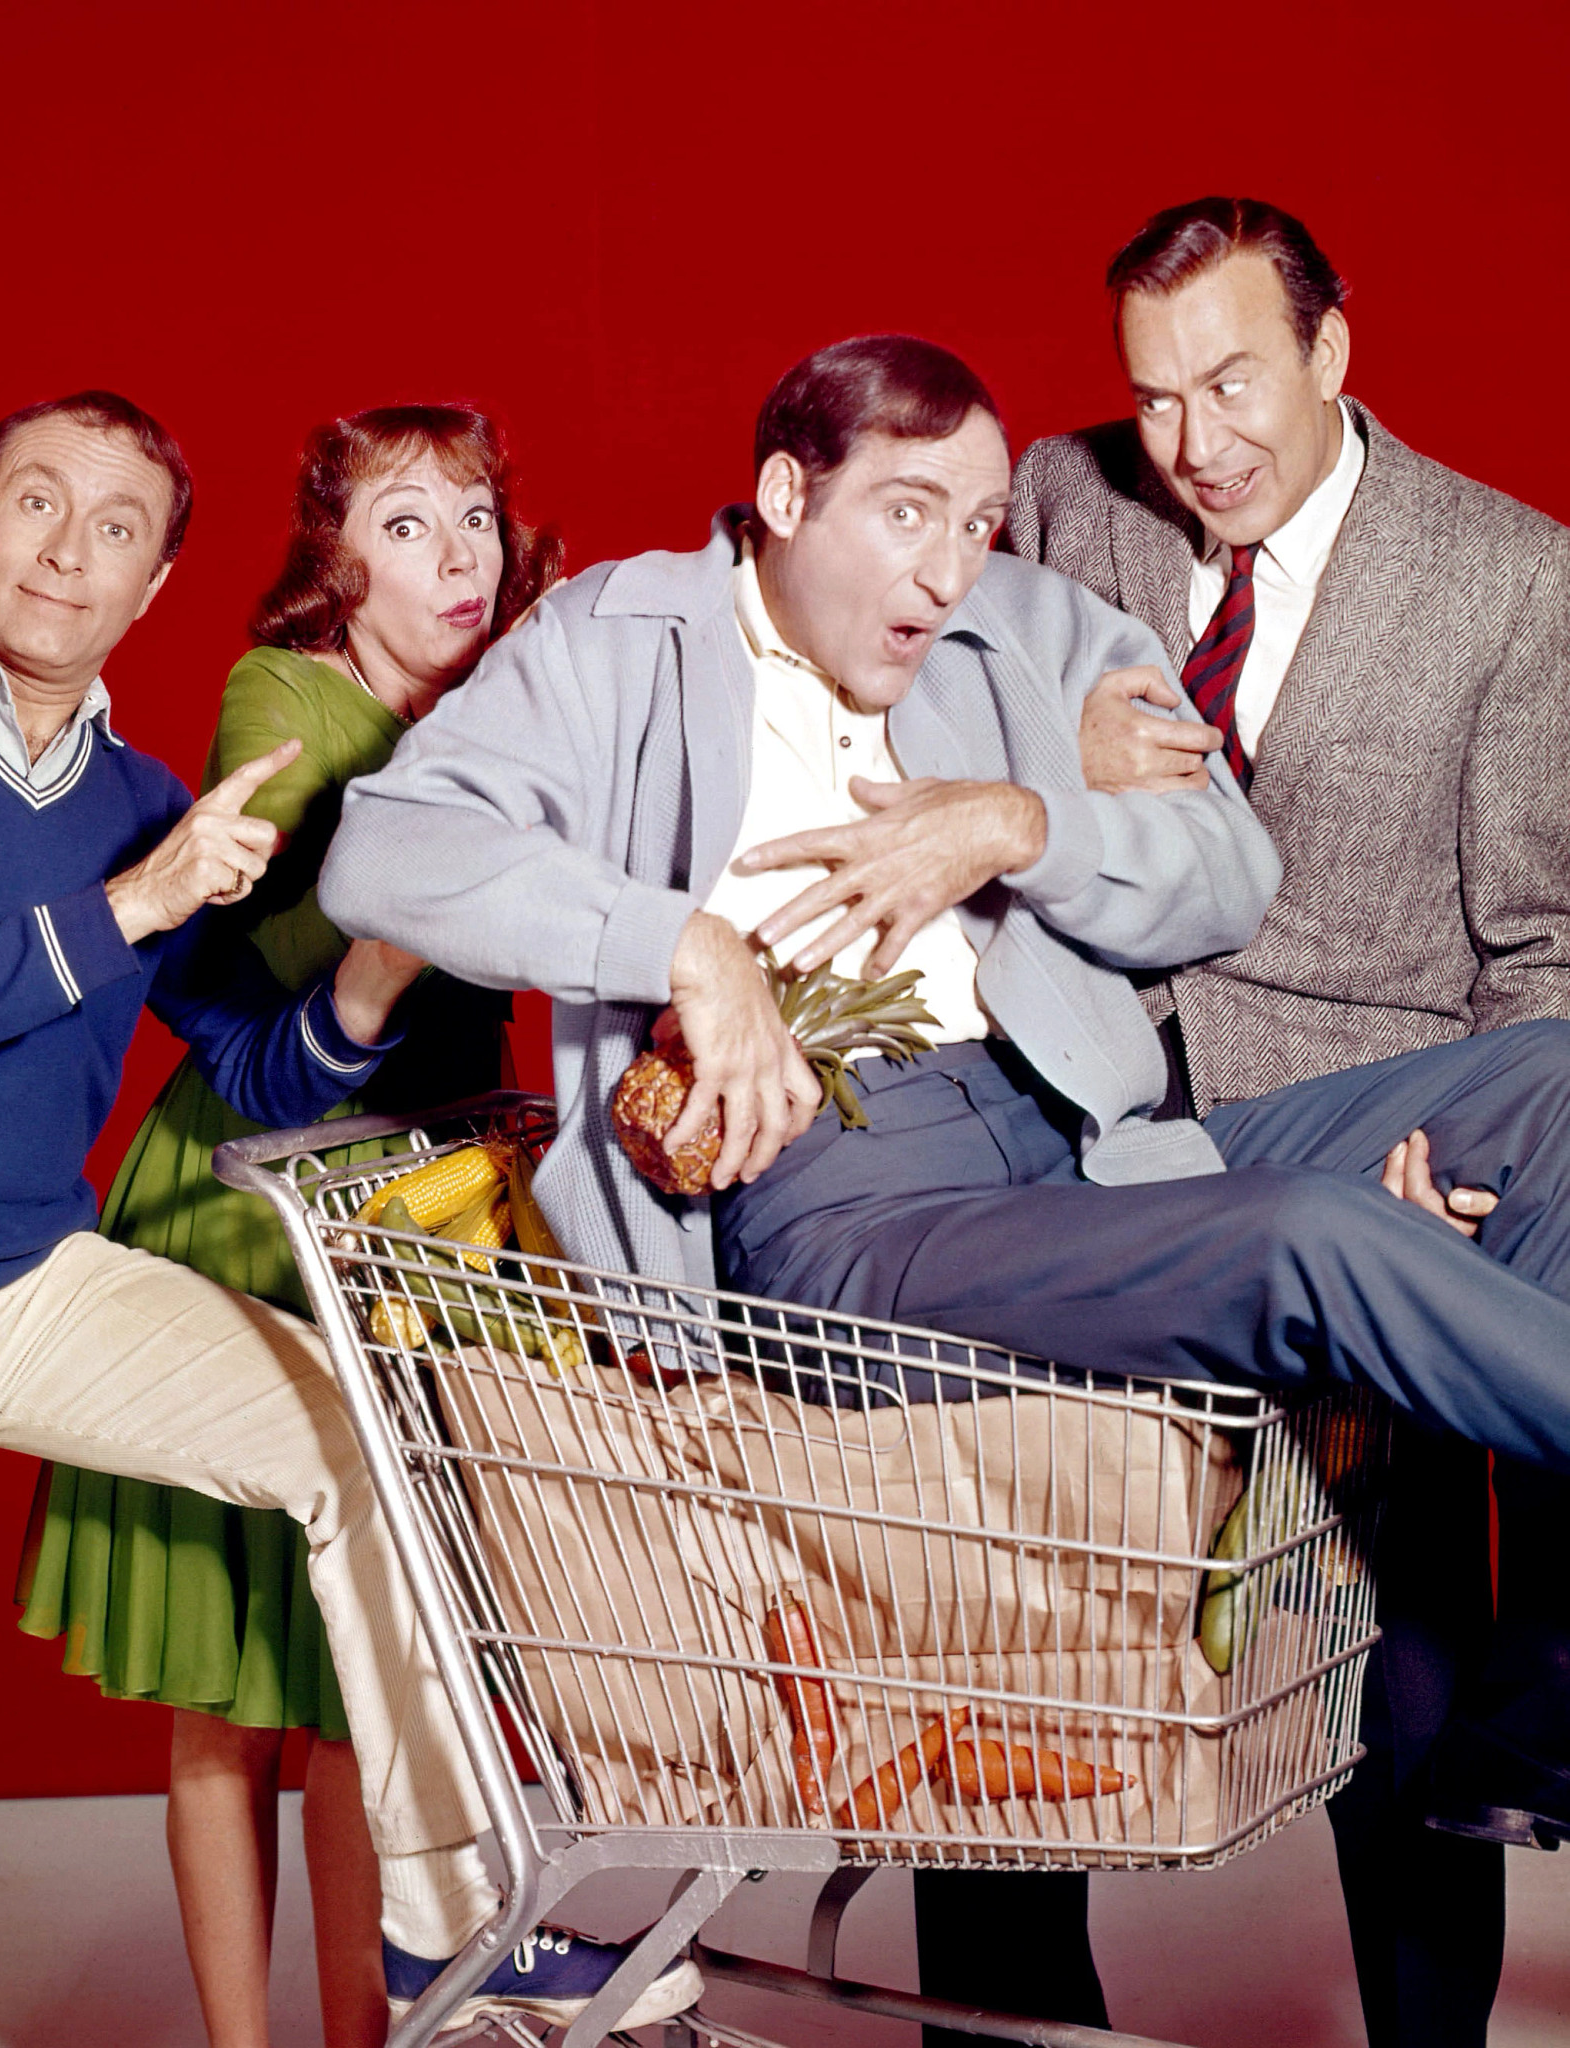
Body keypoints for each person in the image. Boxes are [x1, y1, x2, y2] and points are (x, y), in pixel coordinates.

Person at [322, 333, 1570, 2041]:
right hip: (845, 1207)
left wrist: (1015, 822)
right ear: (781, 496)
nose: (948, 564)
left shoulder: (1022, 632)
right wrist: (685, 946)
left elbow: (1225, 875)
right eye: (906, 512)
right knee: (1314, 1240)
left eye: (980, 520)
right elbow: (387, 847)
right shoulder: (611, 641)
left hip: (1080, 1139)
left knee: (1552, 1084)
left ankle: (1555, 1666)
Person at [0, 389, 699, 2048]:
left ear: (155, 586)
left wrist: (379, 953)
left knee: (355, 1449)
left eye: (116, 530)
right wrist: (137, 901)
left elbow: (256, 1062)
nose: (66, 551)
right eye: (38, 502)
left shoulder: (137, 796)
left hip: (35, 1283)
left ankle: (436, 1936)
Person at [1006, 196, 1570, 2048]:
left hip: (1354, 1130)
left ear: (1333, 350)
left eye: (1234, 380)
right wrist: (1041, 766)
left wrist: (1449, 1164)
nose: (1197, 442)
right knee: (1003, 1643)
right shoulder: (1059, 500)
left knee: (1393, 1672)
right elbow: (882, 703)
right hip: (1068, 1128)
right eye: (1157, 394)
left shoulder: (1507, 579)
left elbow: (1543, 947)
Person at [16, 403, 560, 2048]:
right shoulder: (289, 695)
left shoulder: (490, 703)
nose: (454, 553)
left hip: (430, 1201)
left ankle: (372, 2033)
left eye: (471, 514)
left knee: (375, 1688)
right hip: (266, 1202)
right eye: (405, 524)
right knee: (235, 1688)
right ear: (335, 563)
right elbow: (339, 937)